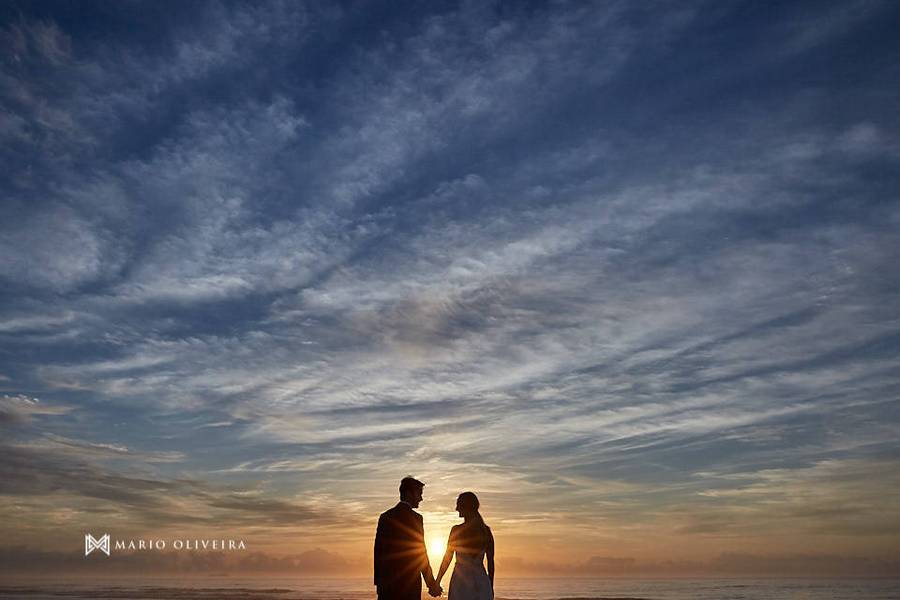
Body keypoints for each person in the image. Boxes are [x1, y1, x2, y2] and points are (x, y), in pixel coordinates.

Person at [374, 477, 442, 600]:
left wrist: (379, 584)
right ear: (409, 493)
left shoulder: (385, 517)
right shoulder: (416, 519)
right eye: (419, 494)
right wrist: (432, 584)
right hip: (410, 584)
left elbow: (378, 552)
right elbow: (420, 554)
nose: (421, 498)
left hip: (387, 585)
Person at [435, 492, 494, 600]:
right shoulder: (486, 531)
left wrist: (437, 581)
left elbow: (447, 559)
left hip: (461, 583)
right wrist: (491, 587)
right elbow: (491, 563)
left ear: (466, 507)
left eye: (458, 505)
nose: (456, 508)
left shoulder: (456, 530)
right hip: (482, 583)